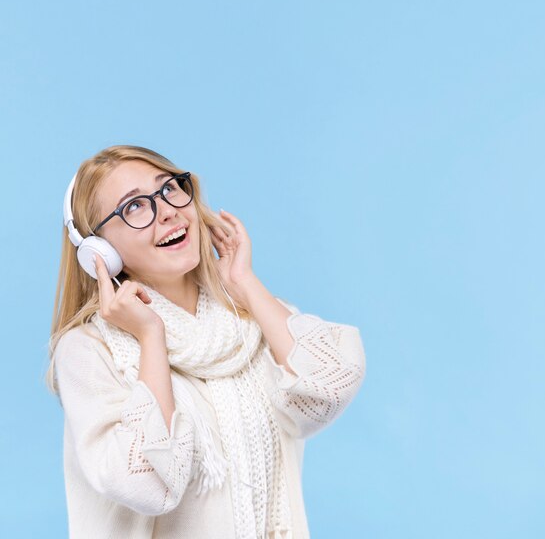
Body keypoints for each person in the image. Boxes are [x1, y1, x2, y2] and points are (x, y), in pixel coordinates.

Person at [45, 144, 367, 539]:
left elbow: (328, 389)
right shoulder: (89, 350)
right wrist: (150, 337)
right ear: (100, 251)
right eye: (134, 207)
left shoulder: (251, 316)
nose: (167, 211)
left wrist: (245, 284)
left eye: (170, 188)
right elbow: (146, 483)